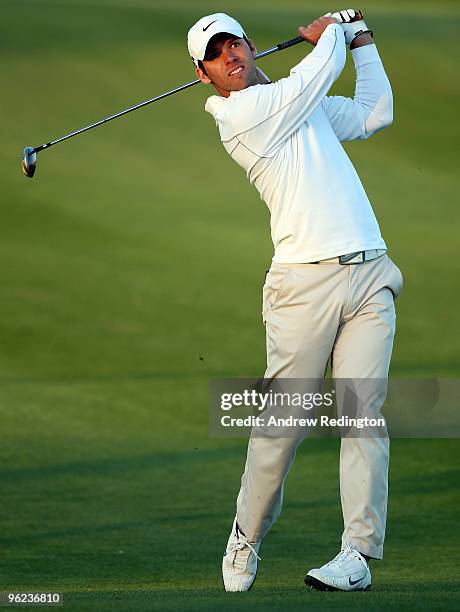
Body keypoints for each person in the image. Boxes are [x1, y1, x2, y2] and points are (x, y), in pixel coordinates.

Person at [187, 9, 403, 593]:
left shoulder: (292, 102)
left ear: (251, 46)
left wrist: (360, 42)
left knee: (364, 414)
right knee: (282, 424)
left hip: (369, 273)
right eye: (216, 54)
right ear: (205, 75)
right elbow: (313, 74)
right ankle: (245, 537)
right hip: (302, 289)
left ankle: (357, 552)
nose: (230, 56)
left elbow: (373, 112)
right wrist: (332, 29)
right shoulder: (243, 116)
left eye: (235, 43)